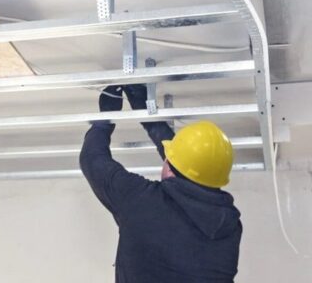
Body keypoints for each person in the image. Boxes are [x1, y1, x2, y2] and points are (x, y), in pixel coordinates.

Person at [80, 85, 242, 282]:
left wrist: (104, 121)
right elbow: (185, 172)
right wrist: (149, 118)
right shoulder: (228, 226)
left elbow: (93, 160)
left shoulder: (140, 201)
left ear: (169, 168)